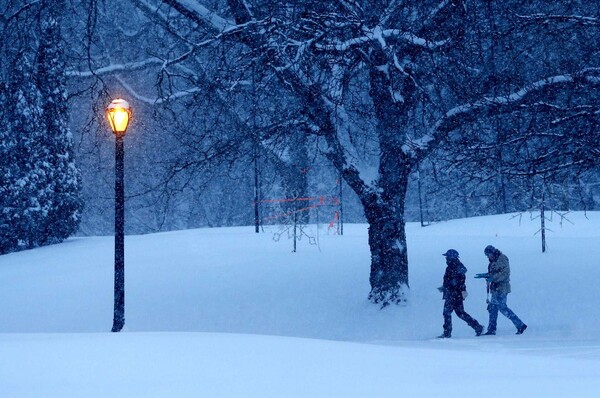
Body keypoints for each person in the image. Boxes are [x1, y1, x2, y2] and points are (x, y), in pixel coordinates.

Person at [477, 245, 527, 335]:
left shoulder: (502, 258)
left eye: (488, 254)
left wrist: (493, 277)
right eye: (487, 255)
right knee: (492, 308)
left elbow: (505, 273)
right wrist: (487, 275)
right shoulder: (493, 261)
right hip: (495, 288)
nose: (488, 256)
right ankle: (491, 329)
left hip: (502, 288)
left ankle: (520, 325)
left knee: (502, 308)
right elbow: (494, 272)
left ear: (493, 252)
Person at [437, 249, 484, 338]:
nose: (446, 258)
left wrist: (448, 286)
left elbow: (458, 281)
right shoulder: (453, 267)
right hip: (454, 294)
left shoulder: (456, 267)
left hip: (453, 294)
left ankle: (447, 333)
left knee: (448, 313)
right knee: (460, 313)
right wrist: (445, 287)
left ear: (451, 257)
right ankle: (477, 326)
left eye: (447, 256)